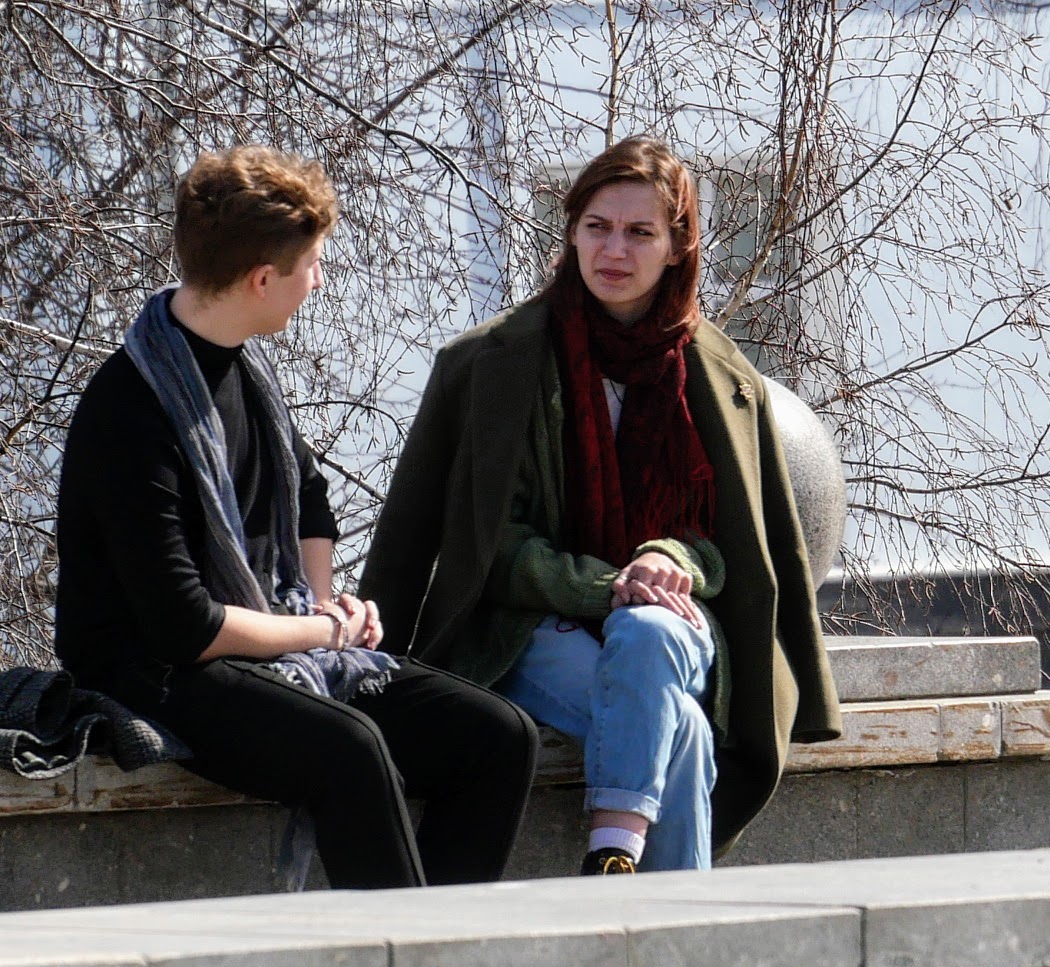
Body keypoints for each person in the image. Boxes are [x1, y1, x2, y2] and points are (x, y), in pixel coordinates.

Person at [54, 146, 536, 888]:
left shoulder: (246, 367)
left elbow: (308, 496)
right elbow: (185, 626)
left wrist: (319, 602)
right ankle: (402, 958)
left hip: (261, 641)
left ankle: (444, 943)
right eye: (311, 263)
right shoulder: (130, 409)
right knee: (349, 749)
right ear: (261, 279)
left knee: (498, 736)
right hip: (152, 670)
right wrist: (323, 633)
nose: (319, 278)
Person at [366, 135, 839, 873]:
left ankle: (614, 860)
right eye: (597, 227)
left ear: (678, 247)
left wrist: (668, 558)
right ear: (572, 233)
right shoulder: (491, 365)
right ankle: (647, 900)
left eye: (640, 232)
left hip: (676, 624)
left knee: (648, 633)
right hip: (528, 626)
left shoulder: (722, 379)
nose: (613, 250)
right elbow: (468, 543)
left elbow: (740, 542)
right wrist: (610, 585)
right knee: (678, 729)